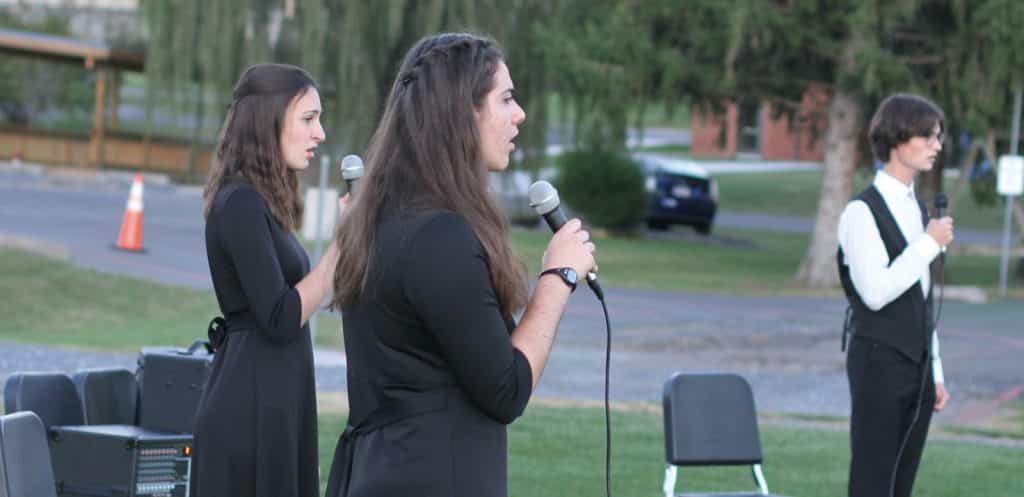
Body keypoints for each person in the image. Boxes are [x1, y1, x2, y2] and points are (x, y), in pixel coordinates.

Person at [325, 33, 596, 497]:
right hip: (430, 476)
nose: (520, 114)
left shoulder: (381, 217)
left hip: (386, 469)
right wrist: (558, 277)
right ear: (462, 113)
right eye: (506, 99)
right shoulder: (439, 236)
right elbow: (505, 390)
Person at [192, 63, 341, 497]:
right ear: (268, 120)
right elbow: (278, 316)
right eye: (309, 119)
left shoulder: (262, 203)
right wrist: (340, 247)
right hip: (248, 410)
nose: (321, 134)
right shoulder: (239, 202)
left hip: (274, 400)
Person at [837, 93, 953, 497]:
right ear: (898, 138)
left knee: (901, 484)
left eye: (938, 137)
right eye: (928, 136)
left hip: (917, 366)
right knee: (873, 481)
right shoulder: (861, 212)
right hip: (879, 362)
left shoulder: (916, 209)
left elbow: (921, 297)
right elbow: (875, 292)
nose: (937, 145)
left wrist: (935, 372)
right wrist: (928, 244)